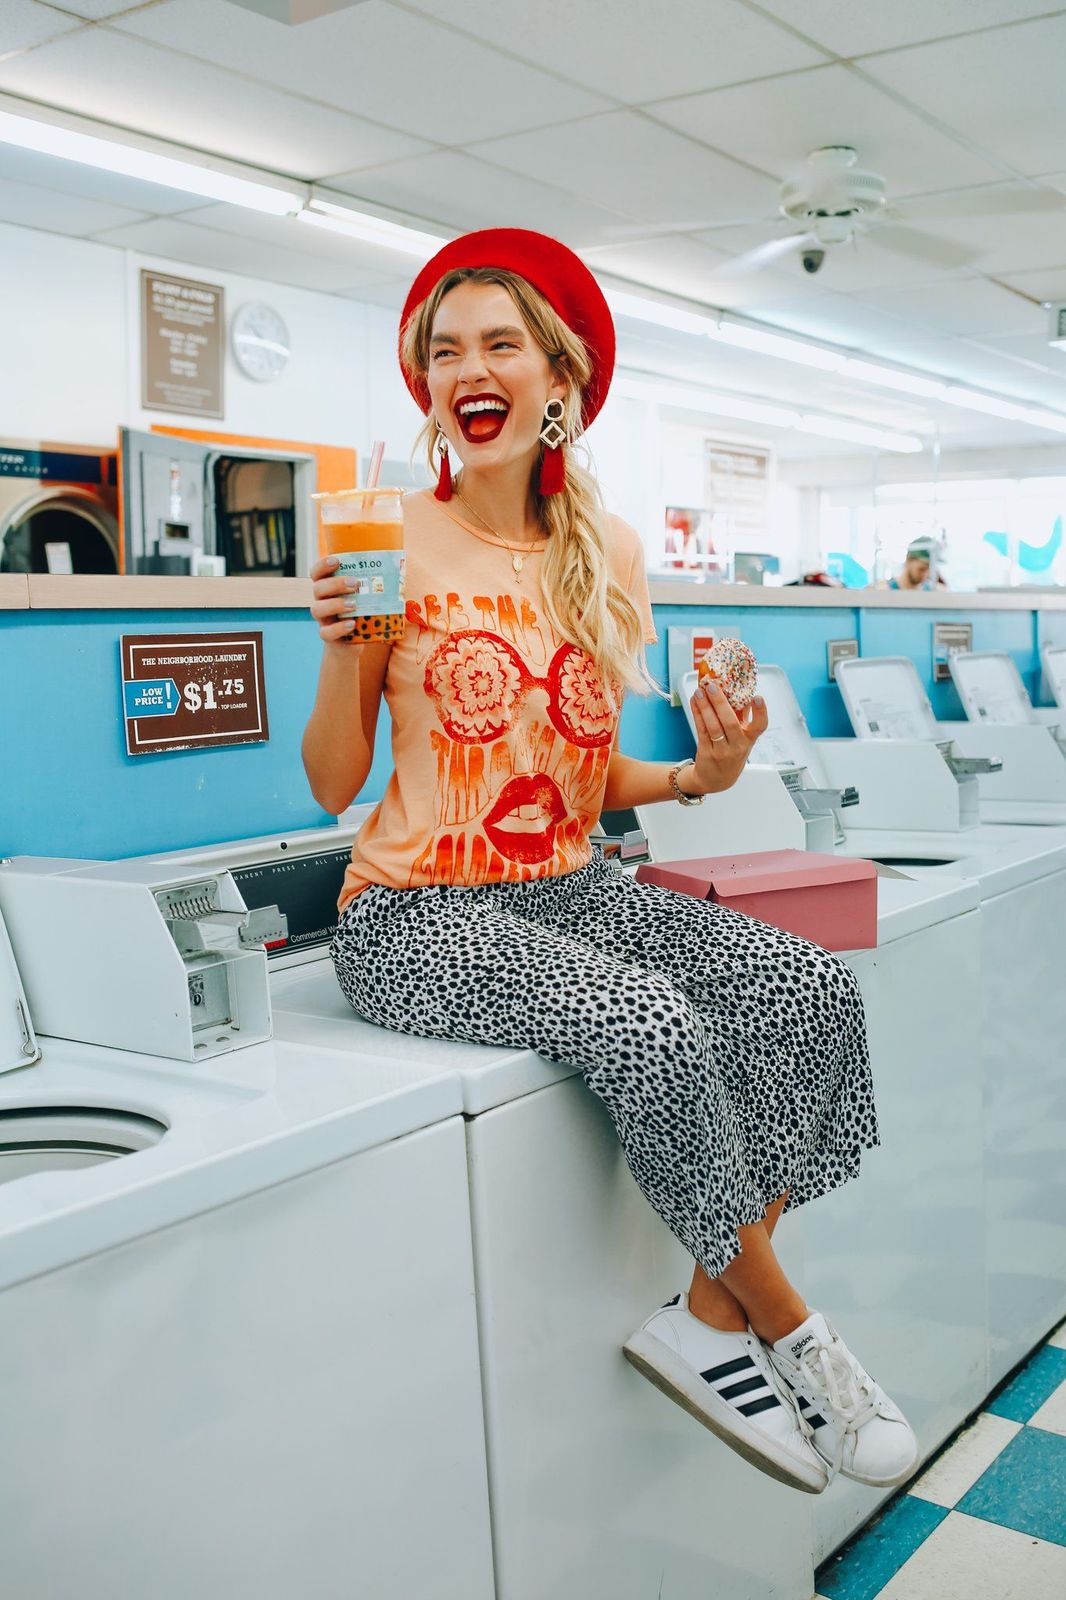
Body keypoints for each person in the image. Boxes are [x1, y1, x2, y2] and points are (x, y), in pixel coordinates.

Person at [302, 228, 917, 1498]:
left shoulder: (610, 552)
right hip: (414, 913)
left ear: (556, 380)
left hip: (574, 885)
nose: (466, 367)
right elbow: (327, 781)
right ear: (427, 385)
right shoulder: (385, 540)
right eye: (442, 349)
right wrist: (338, 644)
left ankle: (704, 1314)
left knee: (807, 993)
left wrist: (704, 771)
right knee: (647, 1019)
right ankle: (793, 1329)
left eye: (498, 344)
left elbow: (586, 781)